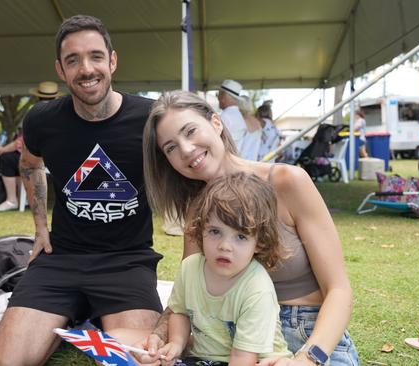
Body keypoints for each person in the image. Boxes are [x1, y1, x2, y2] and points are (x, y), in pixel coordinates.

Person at [0, 15, 163, 365]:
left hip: (126, 261)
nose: (86, 69)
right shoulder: (42, 119)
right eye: (73, 60)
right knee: (6, 362)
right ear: (60, 69)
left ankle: (88, 314)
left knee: (138, 362)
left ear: (112, 60)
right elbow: (29, 163)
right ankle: (72, 311)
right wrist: (40, 227)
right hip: (61, 259)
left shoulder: (151, 119)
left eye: (96, 56)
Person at [138, 91, 358, 366]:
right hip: (229, 339)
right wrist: (161, 333)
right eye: (170, 147)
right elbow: (187, 289)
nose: (185, 149)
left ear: (216, 123)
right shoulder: (198, 209)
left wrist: (306, 359)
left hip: (305, 331)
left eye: (190, 131)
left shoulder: (287, 182)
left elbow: (339, 290)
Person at [147, 173, 292, 365]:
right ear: (201, 230)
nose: (225, 246)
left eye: (240, 237)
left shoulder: (257, 288)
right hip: (203, 358)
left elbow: (243, 358)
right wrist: (176, 343)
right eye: (215, 231)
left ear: (259, 243)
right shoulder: (190, 268)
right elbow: (179, 312)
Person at [0, 82, 62, 212]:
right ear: (56, 98)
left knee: (7, 158)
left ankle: (12, 199)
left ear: (38, 98)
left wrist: (2, 150)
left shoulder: (36, 114)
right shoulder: (62, 114)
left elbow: (20, 143)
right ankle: (25, 198)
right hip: (58, 158)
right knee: (17, 159)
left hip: (41, 159)